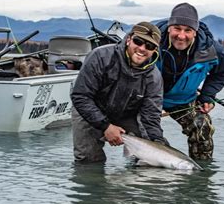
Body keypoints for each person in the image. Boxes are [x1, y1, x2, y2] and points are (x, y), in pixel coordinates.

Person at [70, 21, 166, 163]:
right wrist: (106, 127)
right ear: (129, 39)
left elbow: (150, 116)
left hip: (126, 114)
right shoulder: (100, 56)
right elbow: (81, 96)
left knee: (154, 158)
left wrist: (158, 143)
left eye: (149, 46)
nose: (142, 48)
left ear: (155, 51)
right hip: (90, 108)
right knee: (88, 160)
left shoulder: (154, 77)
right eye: (138, 41)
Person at [156, 3, 224, 160]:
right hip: (148, 97)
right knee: (144, 132)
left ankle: (200, 176)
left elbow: (222, 71)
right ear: (169, 27)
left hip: (183, 100)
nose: (181, 36)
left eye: (188, 30)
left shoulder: (212, 50)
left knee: (202, 127)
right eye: (177, 28)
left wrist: (207, 95)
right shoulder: (150, 40)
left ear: (195, 32)